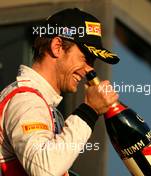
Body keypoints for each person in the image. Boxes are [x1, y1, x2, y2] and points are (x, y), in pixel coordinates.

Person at [0, 8, 119, 176]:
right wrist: (89, 111)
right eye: (86, 58)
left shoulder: (42, 104)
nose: (89, 70)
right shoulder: (26, 99)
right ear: (57, 47)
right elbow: (46, 170)